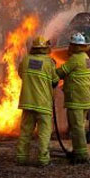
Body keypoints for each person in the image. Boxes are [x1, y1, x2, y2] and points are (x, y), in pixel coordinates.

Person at [16, 36, 59, 167]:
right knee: (44, 133)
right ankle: (43, 160)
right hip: (43, 105)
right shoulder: (49, 62)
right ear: (45, 49)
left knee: (25, 132)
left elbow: (21, 74)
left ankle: (21, 158)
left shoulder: (25, 60)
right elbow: (55, 81)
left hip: (28, 103)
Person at [57, 32, 90, 164]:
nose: (69, 48)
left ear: (74, 46)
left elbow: (61, 72)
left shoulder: (75, 59)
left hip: (76, 99)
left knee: (76, 127)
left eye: (71, 45)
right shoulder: (86, 57)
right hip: (85, 98)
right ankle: (78, 151)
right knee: (80, 126)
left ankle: (81, 155)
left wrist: (52, 72)